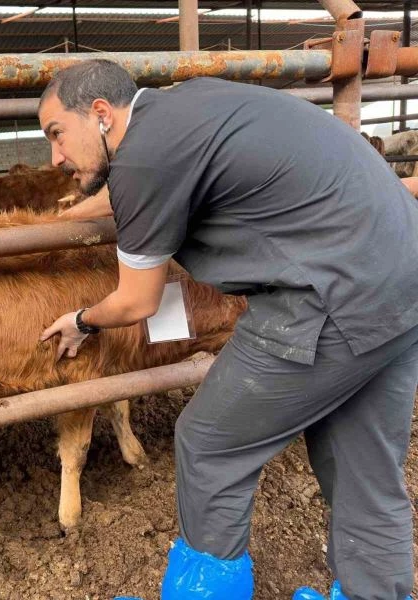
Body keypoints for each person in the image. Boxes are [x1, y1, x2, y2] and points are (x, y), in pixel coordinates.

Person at [38, 59, 418, 600]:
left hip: (327, 298)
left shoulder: (144, 158)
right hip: (402, 283)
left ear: (100, 114)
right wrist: (61, 219)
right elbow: (126, 188)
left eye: (57, 134)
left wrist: (82, 320)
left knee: (209, 444)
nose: (53, 157)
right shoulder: (185, 108)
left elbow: (138, 299)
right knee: (362, 467)